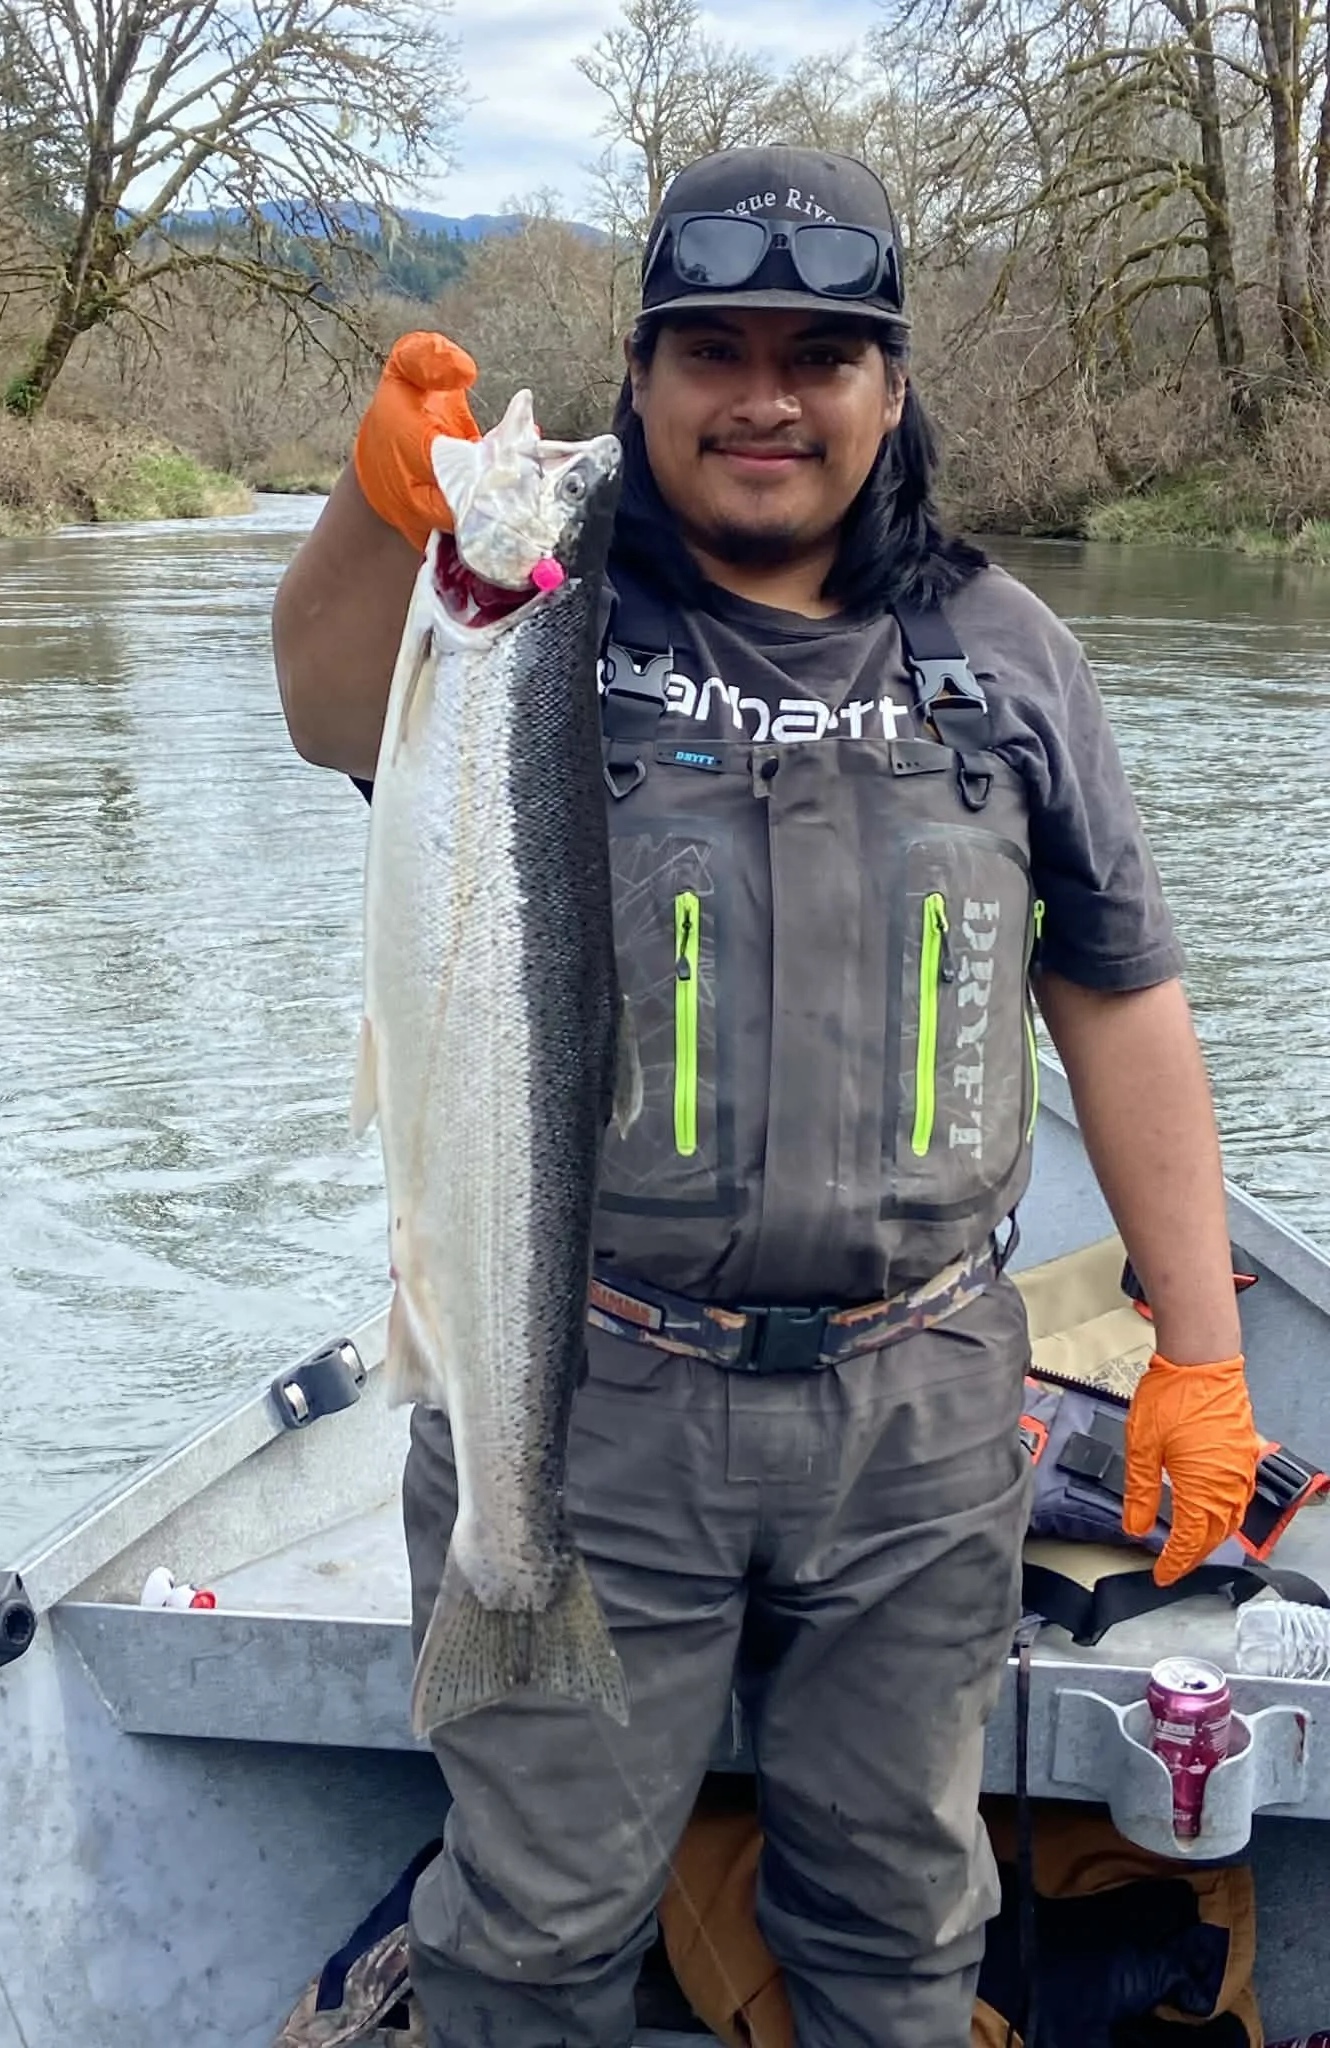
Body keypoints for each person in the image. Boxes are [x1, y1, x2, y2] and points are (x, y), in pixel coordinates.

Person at [272, 144, 1260, 2048]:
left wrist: (1203, 1354)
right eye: (713, 349)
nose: (765, 398)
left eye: (821, 356)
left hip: (926, 1417)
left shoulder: (1009, 651)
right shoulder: (531, 621)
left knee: (903, 1925)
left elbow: (1121, 998)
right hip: (584, 1393)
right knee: (535, 1931)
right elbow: (329, 713)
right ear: (640, 379)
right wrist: (378, 513)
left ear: (891, 392)